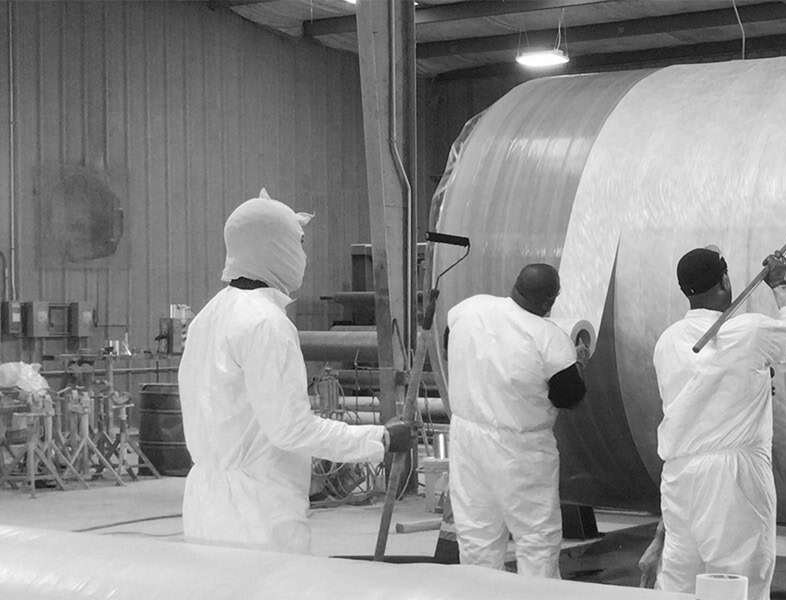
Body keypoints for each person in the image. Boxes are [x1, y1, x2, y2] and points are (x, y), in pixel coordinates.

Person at [179, 189, 413, 553]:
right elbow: (291, 429)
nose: (303, 256)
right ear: (273, 246)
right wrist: (379, 439)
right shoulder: (265, 323)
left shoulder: (207, 317)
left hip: (205, 508)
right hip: (258, 515)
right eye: (298, 244)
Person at [649, 247, 786, 600]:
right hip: (733, 477)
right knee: (740, 581)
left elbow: (709, 386)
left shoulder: (667, 341)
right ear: (725, 280)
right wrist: (781, 284)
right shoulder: (749, 332)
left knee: (679, 582)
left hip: (680, 477)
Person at [445, 264, 587, 578]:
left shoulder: (469, 309)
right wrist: (577, 365)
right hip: (521, 451)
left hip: (468, 442)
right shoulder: (549, 338)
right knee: (536, 539)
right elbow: (569, 397)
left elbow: (449, 343)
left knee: (477, 535)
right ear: (550, 301)